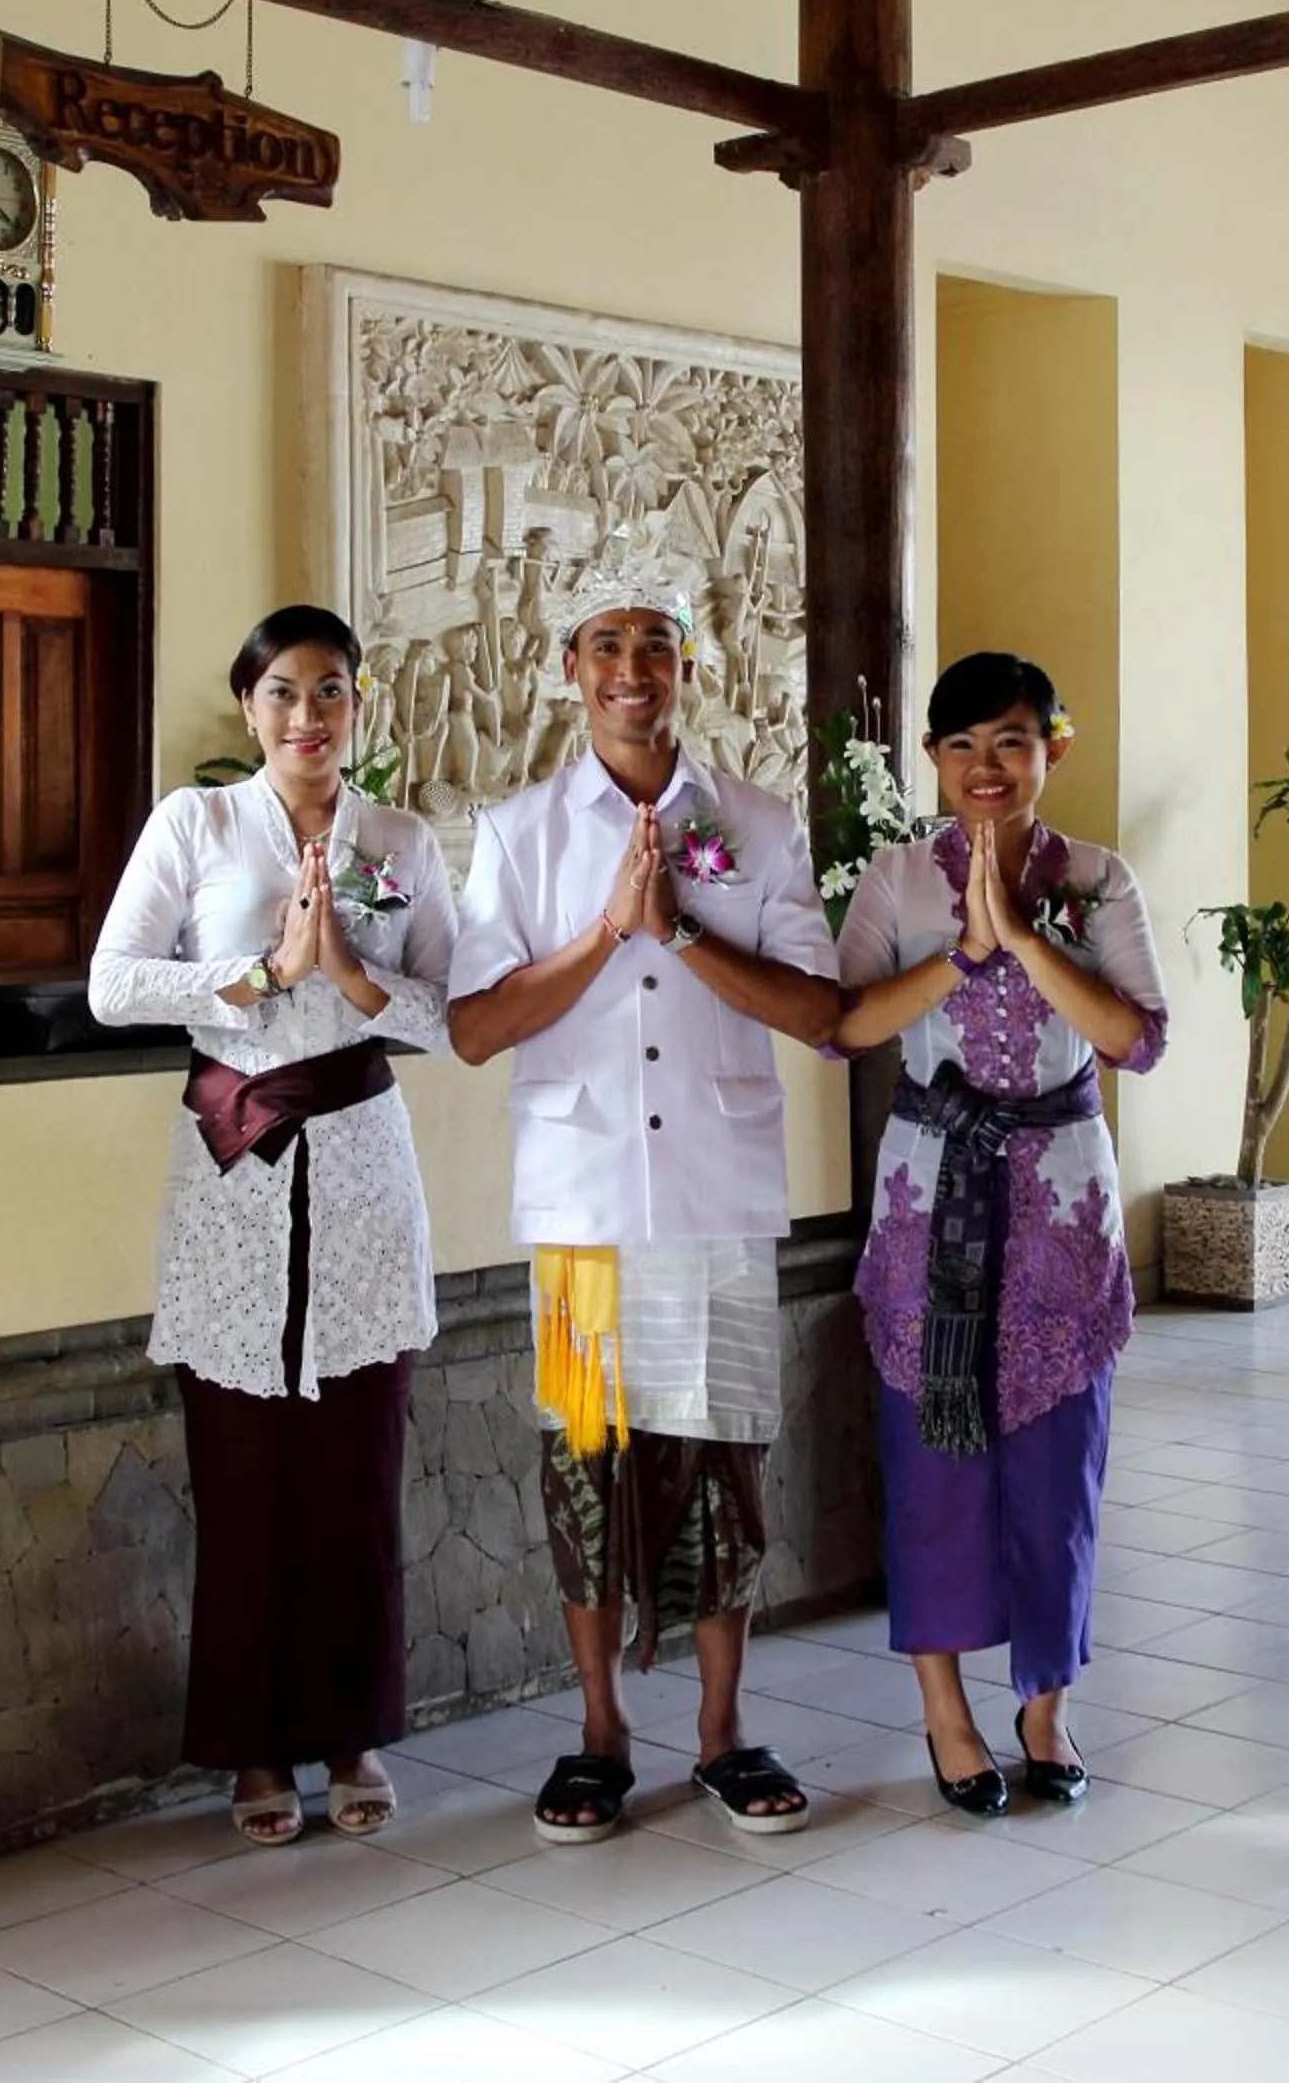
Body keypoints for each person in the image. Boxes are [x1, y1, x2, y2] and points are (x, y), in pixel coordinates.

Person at [448, 530, 842, 1845]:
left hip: (720, 1195)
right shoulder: (515, 834)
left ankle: (725, 1730)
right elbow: (478, 1026)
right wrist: (607, 933)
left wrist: (681, 929)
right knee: (586, 1467)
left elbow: (819, 1008)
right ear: (570, 668)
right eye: (607, 644)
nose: (632, 668)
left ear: (687, 666)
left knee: (724, 1459)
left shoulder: (759, 824)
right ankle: (601, 1733)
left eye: (655, 645)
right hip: (581, 1210)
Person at [87, 605, 457, 1847]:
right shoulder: (193, 824)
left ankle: (353, 1732)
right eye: (286, 692)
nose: (310, 715)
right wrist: (258, 977)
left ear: (361, 706)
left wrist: (351, 973)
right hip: (235, 1164)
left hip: (359, 1156)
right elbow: (115, 981)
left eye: (333, 691)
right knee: (244, 1478)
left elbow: (450, 1011)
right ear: (249, 706)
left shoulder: (400, 839)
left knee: (356, 1470)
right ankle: (255, 1748)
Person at [829, 652, 1166, 1814]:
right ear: (932, 755)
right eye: (963, 743)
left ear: (1051, 750)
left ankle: (1045, 1705)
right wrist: (959, 957)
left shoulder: (1100, 878)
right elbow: (844, 1025)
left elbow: (1135, 1038)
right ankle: (945, 1709)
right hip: (931, 1205)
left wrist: (1025, 938)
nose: (986, 766)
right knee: (933, 1466)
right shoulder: (892, 877)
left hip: (1064, 1207)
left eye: (1011, 741)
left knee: (1061, 1466)